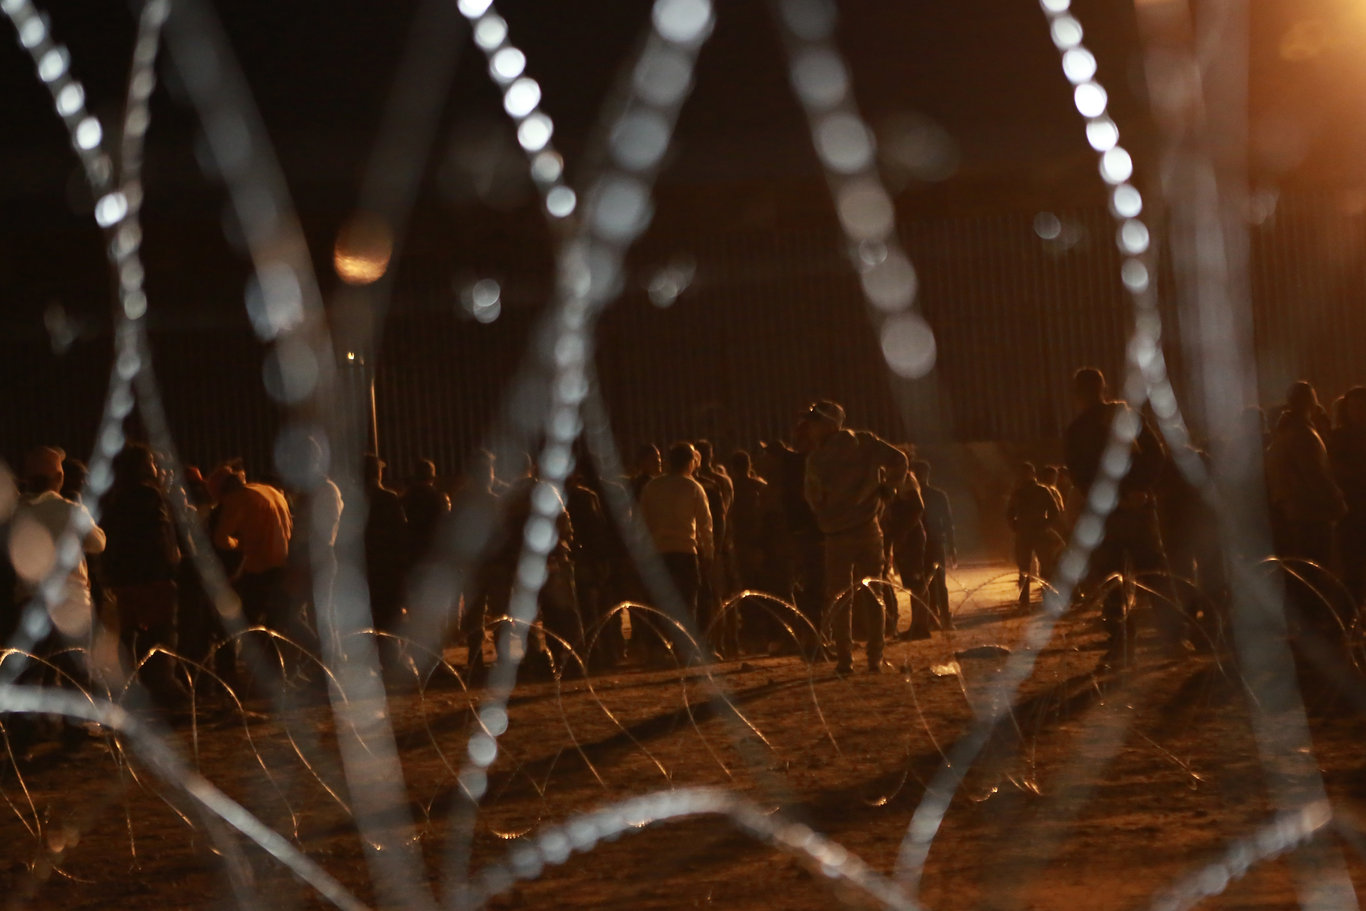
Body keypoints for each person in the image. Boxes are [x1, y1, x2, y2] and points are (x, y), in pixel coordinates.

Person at [1063, 367, 1168, 660]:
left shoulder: (1077, 430)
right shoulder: (1124, 415)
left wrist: (1115, 498)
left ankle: (1120, 645)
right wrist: (1138, 490)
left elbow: (1080, 477)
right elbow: (1156, 454)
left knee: (1111, 581)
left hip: (1105, 514)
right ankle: (1171, 636)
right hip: (1138, 510)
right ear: (1103, 388)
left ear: (1076, 395)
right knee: (1153, 573)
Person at [802, 401, 907, 675]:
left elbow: (813, 500)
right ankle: (875, 658)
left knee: (839, 599)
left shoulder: (816, 458)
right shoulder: (865, 443)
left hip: (836, 536)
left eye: (815, 422)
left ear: (830, 424)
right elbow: (900, 460)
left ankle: (845, 660)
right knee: (875, 594)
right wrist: (888, 490)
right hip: (868, 529)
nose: (810, 428)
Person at [101, 443, 181, 703]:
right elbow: (160, 536)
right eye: (153, 463)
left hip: (124, 580)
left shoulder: (113, 497)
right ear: (145, 467)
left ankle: (131, 693)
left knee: (129, 637)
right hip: (153, 579)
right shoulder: (150, 495)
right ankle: (168, 694)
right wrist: (172, 562)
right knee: (160, 637)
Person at [639, 441, 714, 661]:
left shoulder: (652, 487)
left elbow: (641, 522)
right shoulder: (693, 487)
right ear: (691, 462)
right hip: (685, 552)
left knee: (658, 603)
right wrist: (708, 554)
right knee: (687, 602)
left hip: (657, 554)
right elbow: (705, 526)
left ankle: (657, 649)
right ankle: (684, 649)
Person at [1267, 380, 1344, 568]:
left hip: (1292, 512)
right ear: (1311, 402)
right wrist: (1338, 504)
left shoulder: (1282, 435)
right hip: (1311, 514)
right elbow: (1317, 476)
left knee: (1301, 570)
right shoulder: (1304, 435)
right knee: (1317, 569)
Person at [1005, 462, 1061, 606]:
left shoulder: (1033, 491)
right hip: (1033, 532)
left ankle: (1031, 599)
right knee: (1036, 566)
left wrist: (1016, 526)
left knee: (1032, 566)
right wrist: (1045, 524)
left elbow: (1009, 513)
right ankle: (1037, 598)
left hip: (1031, 532)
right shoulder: (1033, 491)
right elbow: (1010, 513)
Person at [914, 459, 957, 630]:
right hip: (922, 543)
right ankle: (935, 616)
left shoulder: (935, 495)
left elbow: (947, 521)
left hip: (933, 542)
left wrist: (952, 545)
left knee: (937, 581)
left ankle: (943, 616)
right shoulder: (929, 495)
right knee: (926, 582)